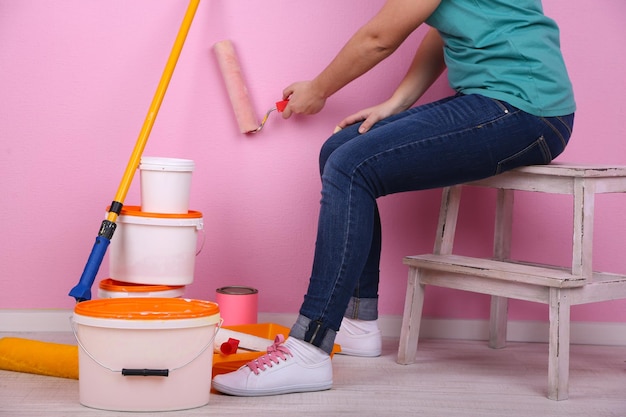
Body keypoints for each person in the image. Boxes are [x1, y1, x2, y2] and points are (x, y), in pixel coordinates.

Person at [212, 0, 575, 396]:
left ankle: (309, 347)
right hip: (495, 101)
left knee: (352, 166)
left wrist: (318, 89)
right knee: (339, 149)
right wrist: (397, 102)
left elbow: (378, 38)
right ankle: (356, 322)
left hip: (525, 111)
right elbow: (442, 28)